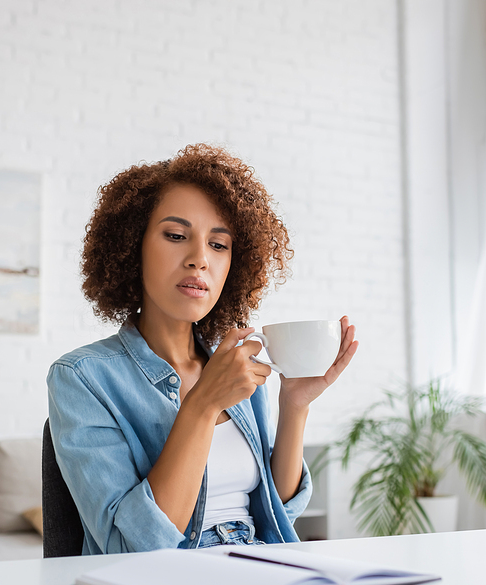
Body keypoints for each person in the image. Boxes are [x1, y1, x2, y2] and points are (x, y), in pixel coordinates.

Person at [47, 144, 358, 555]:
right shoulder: (82, 378)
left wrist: (295, 404)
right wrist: (203, 404)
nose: (199, 260)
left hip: (260, 565)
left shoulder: (234, 364)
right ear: (131, 246)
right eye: (176, 236)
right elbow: (130, 548)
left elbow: (277, 514)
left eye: (219, 245)